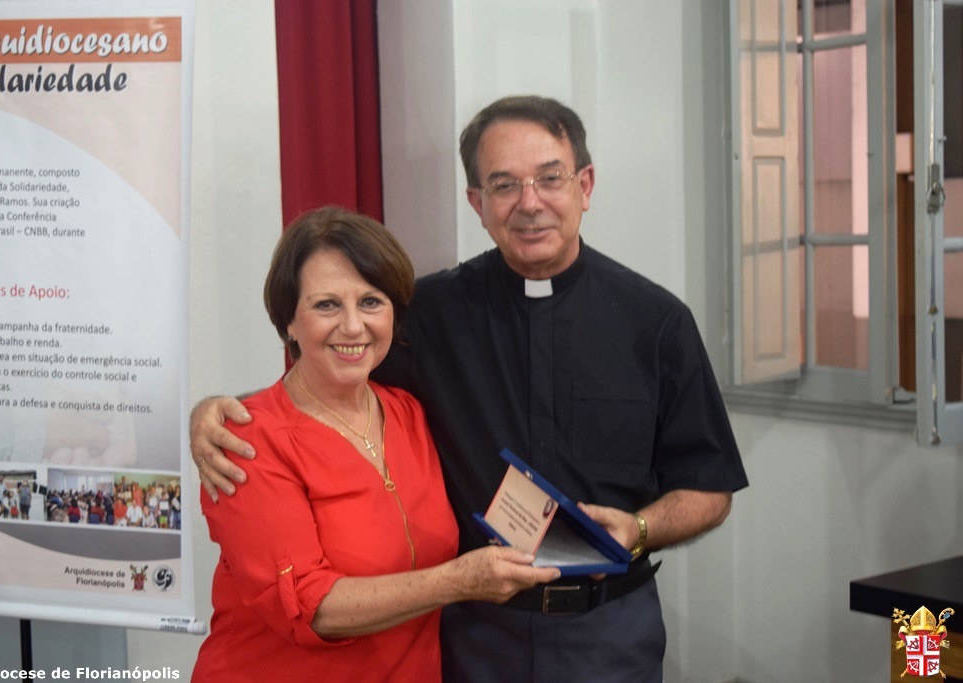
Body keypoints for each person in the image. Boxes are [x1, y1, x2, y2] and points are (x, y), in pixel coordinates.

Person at [191, 96, 749, 682]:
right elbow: (327, 380)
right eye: (504, 185)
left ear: (584, 185)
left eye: (550, 178)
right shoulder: (427, 314)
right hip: (471, 633)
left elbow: (709, 488)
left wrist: (639, 529)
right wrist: (212, 413)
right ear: (477, 204)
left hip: (608, 631)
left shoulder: (657, 323)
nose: (529, 203)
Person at [190, 206, 559, 682]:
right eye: (327, 305)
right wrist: (458, 581)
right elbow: (311, 607)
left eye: (370, 302)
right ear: (288, 322)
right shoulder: (245, 441)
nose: (352, 326)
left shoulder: (409, 413)